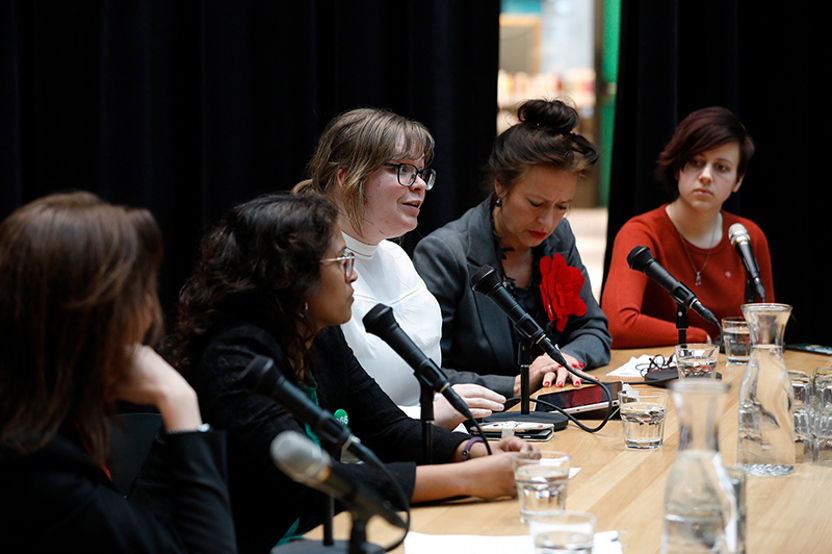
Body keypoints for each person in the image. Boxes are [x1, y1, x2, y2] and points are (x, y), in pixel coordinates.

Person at [157, 193, 532, 554]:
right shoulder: (233, 360)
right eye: (341, 261)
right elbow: (311, 480)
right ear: (293, 276)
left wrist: (475, 451)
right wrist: (468, 479)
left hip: (316, 537)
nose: (352, 276)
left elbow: (387, 429)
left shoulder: (320, 337)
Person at [0, 192, 236, 553]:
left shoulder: (41, 425)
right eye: (137, 295)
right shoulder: (38, 471)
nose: (147, 317)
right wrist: (179, 402)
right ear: (89, 319)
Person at [294, 107, 507, 430]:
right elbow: (329, 415)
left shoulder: (396, 257)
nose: (419, 185)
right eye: (404, 170)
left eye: (422, 173)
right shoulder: (312, 271)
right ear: (346, 178)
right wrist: (428, 417)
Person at [413, 99, 612, 391]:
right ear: (500, 185)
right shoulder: (444, 254)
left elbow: (593, 329)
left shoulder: (559, 236)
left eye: (562, 206)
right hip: (480, 423)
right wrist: (517, 385)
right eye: (535, 203)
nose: (546, 221)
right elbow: (426, 371)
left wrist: (566, 359)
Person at [602, 106, 775, 348]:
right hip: (659, 380)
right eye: (696, 162)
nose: (706, 175)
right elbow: (618, 326)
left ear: (738, 180)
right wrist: (700, 338)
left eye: (721, 167)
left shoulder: (748, 237)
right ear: (677, 167)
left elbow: (765, 330)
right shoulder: (640, 232)